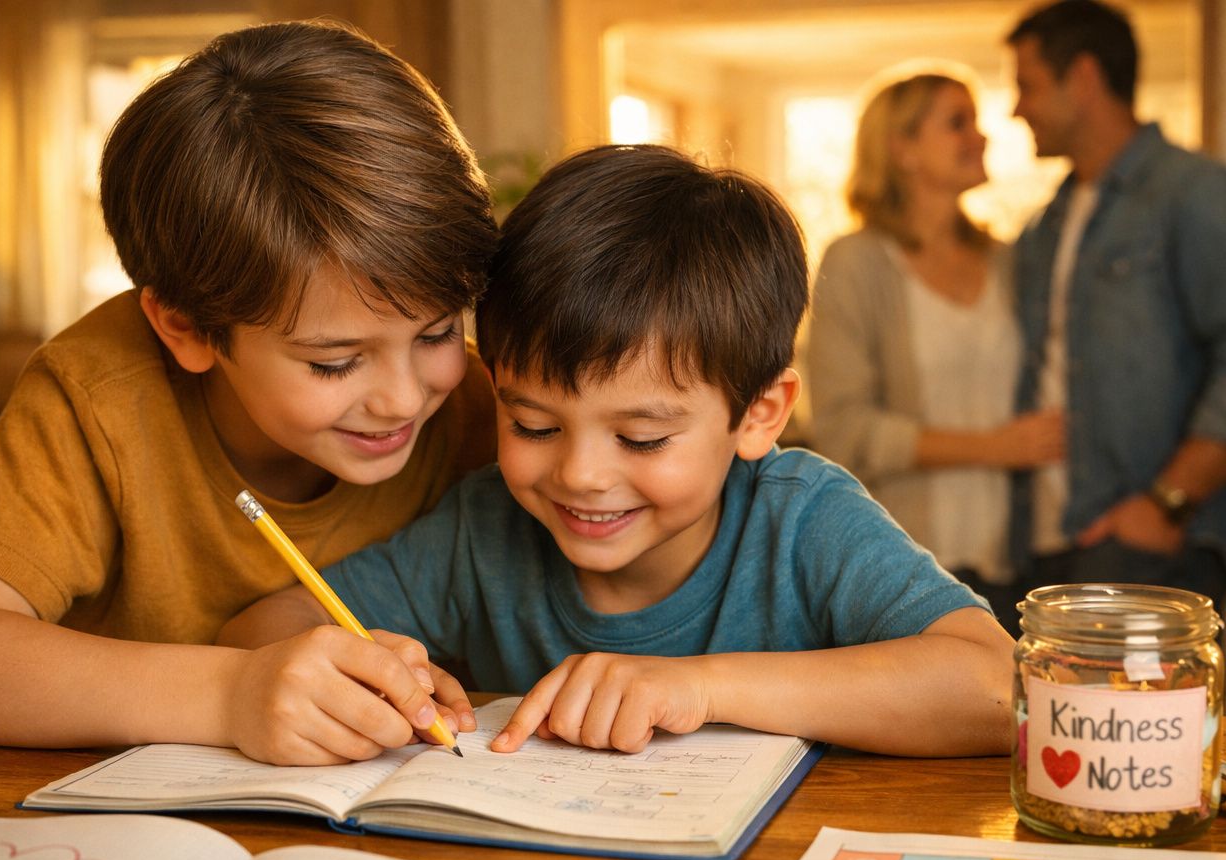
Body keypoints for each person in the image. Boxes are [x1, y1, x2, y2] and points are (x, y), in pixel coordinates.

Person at [221, 144, 1014, 758]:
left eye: (640, 438)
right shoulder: (482, 527)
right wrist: (356, 674)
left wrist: (697, 689)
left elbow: (996, 685)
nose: (581, 475)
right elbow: (267, 624)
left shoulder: (801, 519)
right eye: (532, 425)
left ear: (758, 414)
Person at [0, 21, 500, 767]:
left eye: (436, 333)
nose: (404, 397)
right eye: (334, 363)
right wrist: (231, 691)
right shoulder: (98, 396)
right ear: (186, 326)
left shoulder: (485, 410)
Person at [1006, 0, 1226, 607]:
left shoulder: (1199, 196)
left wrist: (1166, 503)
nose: (1017, 109)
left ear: (1083, 77)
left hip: (1151, 540)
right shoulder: (1045, 226)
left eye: (1027, 86)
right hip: (1047, 544)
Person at [805, 71, 1063, 632]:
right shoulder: (855, 263)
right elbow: (844, 429)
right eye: (957, 123)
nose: (981, 136)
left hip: (1015, 559)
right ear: (902, 149)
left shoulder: (1008, 261)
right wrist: (994, 448)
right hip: (899, 560)